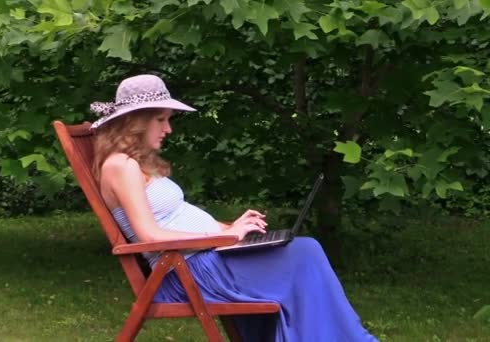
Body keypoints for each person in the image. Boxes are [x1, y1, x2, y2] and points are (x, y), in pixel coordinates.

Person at [90, 74, 378, 342]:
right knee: (305, 253)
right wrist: (226, 238)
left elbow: (176, 217)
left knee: (302, 252)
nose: (169, 128)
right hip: (183, 271)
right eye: (161, 119)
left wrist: (229, 227)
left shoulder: (137, 162)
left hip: (201, 257)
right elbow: (149, 237)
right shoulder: (121, 166)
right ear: (136, 121)